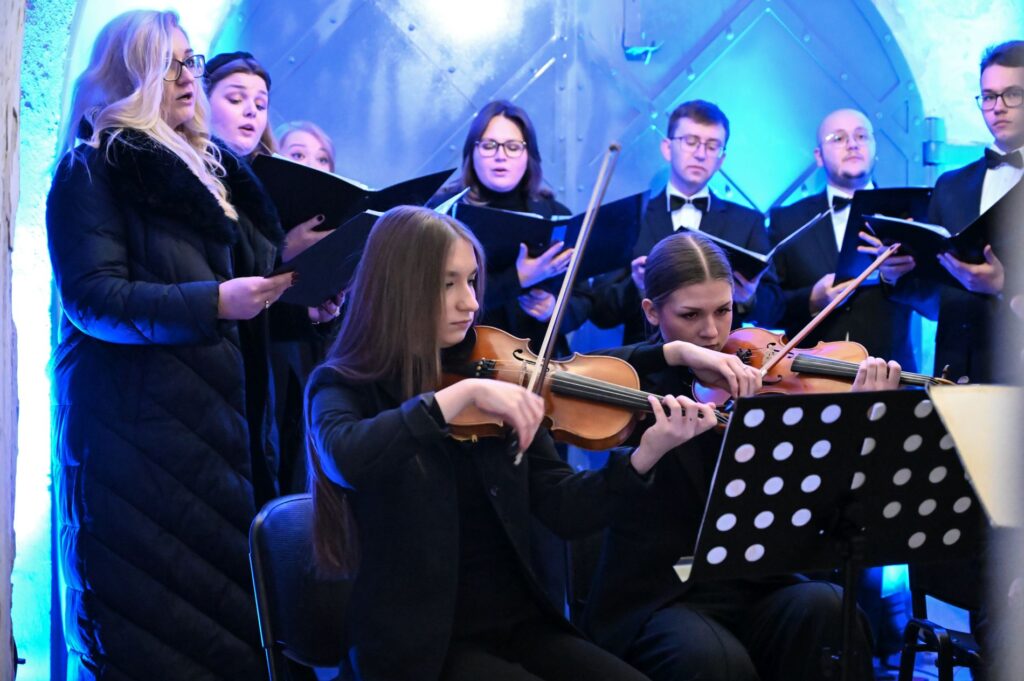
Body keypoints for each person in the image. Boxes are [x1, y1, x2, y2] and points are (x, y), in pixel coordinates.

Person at [305, 205, 728, 680]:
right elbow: (345, 457)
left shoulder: (492, 373)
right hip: (423, 647)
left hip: (519, 625)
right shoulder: (343, 384)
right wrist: (457, 397)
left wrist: (646, 454)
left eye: (472, 281)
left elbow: (566, 509)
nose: (470, 303)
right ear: (399, 287)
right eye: (448, 284)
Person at [47, 10, 294, 679]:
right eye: (171, 63)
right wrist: (215, 302)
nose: (189, 76)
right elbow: (94, 300)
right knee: (153, 643)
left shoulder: (213, 171)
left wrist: (300, 290)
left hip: (221, 447)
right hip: (139, 455)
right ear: (131, 75)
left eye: (192, 60)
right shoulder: (93, 168)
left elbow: (243, 292)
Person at [583, 231, 899, 681]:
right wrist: (673, 353)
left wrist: (855, 423)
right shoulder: (634, 381)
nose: (711, 332)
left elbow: (818, 494)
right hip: (661, 593)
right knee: (712, 659)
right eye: (690, 315)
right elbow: (568, 370)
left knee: (830, 611)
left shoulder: (766, 377)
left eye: (723, 310)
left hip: (754, 580)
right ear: (652, 311)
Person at [205, 58, 341, 494]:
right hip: (220, 369)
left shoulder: (252, 190)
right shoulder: (202, 183)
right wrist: (283, 251)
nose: (251, 110)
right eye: (236, 98)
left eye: (261, 104)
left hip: (282, 363)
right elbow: (225, 288)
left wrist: (313, 316)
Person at [882, 40, 1024, 384]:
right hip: (955, 370)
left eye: (1012, 94)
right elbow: (933, 298)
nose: (998, 107)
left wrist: (1004, 284)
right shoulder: (950, 185)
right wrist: (895, 274)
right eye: (988, 96)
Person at [588, 99, 783, 344]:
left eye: (712, 146)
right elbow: (600, 312)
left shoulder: (747, 222)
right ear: (667, 148)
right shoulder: (629, 218)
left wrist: (749, 298)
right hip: (645, 361)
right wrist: (636, 285)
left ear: (721, 159)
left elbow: (776, 309)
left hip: (723, 356)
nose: (700, 154)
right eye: (690, 142)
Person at [768, 108, 920, 371]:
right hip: (806, 378)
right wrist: (811, 299)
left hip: (892, 376)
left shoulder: (909, 214)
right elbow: (767, 308)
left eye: (861, 136)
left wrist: (895, 278)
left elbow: (934, 304)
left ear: (874, 148)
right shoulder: (787, 220)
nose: (852, 144)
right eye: (838, 138)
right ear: (818, 156)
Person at [430, 100, 584, 354]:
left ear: (528, 155)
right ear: (472, 152)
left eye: (513, 147)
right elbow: (428, 300)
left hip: (536, 359)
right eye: (489, 145)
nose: (500, 156)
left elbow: (584, 298)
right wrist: (518, 278)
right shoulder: (441, 213)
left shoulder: (555, 214)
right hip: (461, 358)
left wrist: (552, 309)